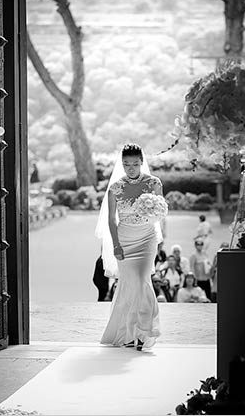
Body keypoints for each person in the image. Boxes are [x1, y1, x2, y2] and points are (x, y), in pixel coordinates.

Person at [95, 143, 165, 351]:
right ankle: (126, 333)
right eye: (126, 164)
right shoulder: (115, 187)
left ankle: (144, 332)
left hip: (146, 239)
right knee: (129, 285)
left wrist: (151, 213)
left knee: (143, 280)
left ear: (142, 162)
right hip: (124, 241)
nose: (131, 168)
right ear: (122, 164)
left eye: (135, 164)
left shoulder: (154, 183)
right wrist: (116, 245)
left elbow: (161, 212)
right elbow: (110, 220)